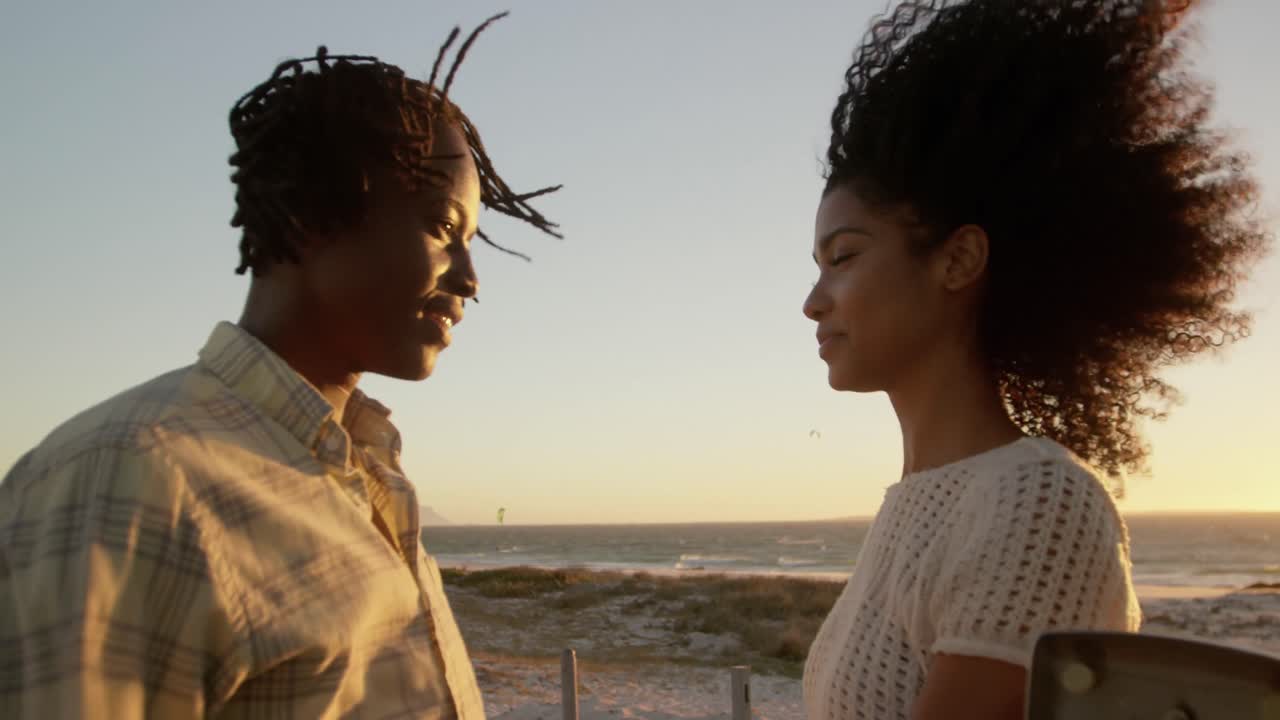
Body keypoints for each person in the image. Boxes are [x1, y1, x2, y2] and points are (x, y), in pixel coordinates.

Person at [0, 13, 560, 718]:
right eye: (443, 227)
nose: (470, 279)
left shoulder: (366, 478)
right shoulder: (133, 479)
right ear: (315, 213)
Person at [800, 1, 1268, 718]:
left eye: (844, 257)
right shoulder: (919, 504)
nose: (814, 301)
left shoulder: (1035, 501)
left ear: (958, 260)